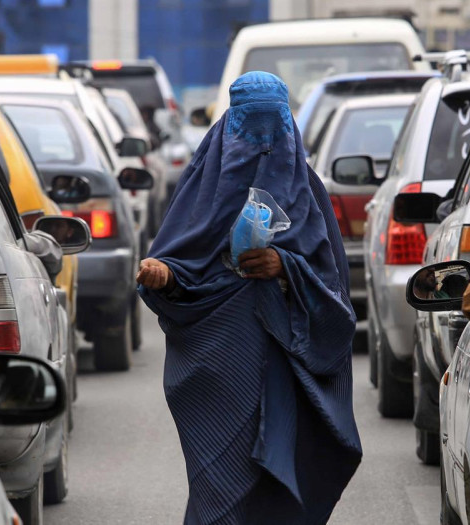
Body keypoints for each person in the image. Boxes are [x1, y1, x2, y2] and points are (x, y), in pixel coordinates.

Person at [136, 71, 362, 524]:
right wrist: (165, 275)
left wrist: (286, 267)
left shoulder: (309, 193)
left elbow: (333, 287)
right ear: (227, 126)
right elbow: (181, 260)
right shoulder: (202, 189)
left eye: (272, 127)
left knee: (287, 483)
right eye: (249, 126)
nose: (262, 142)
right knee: (219, 490)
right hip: (219, 368)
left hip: (292, 366)